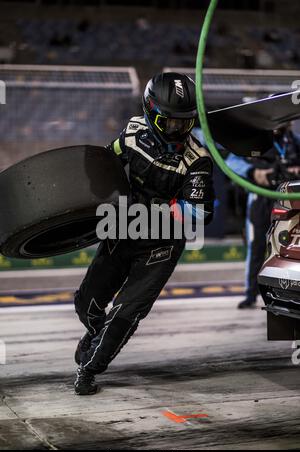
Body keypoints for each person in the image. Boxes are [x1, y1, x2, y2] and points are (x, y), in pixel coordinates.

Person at [73, 72, 215, 395]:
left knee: (125, 313)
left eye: (185, 123)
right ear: (151, 113)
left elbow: (201, 212)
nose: (178, 131)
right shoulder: (133, 131)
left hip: (162, 244)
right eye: (171, 123)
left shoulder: (199, 160)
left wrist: (157, 213)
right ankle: (96, 333)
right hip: (123, 229)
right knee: (86, 303)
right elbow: (106, 164)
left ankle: (89, 369)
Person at [226, 123, 300, 309]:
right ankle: (250, 294)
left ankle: (289, 293)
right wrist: (254, 172)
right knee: (256, 247)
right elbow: (231, 162)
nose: (280, 122)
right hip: (260, 199)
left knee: (289, 248)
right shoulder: (256, 139)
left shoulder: (293, 140)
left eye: (285, 118)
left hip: (289, 202)